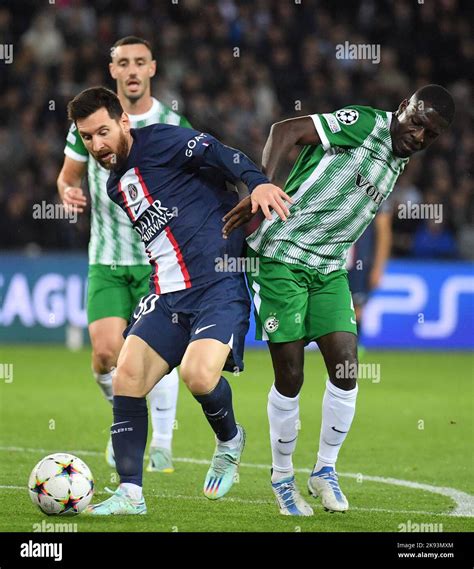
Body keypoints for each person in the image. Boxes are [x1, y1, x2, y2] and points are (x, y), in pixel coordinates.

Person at [223, 84, 455, 516]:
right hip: (281, 256)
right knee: (291, 375)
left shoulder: (399, 159)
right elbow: (286, 129)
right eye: (418, 123)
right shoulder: (366, 124)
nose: (421, 137)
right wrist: (258, 187)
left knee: (346, 367)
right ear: (403, 107)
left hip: (329, 269)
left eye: (431, 135)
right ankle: (282, 476)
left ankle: (324, 470)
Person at [66, 86, 292, 515]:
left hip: (219, 288)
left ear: (123, 122)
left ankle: (229, 440)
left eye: (102, 132)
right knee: (126, 376)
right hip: (168, 296)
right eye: (87, 138)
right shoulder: (118, 185)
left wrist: (258, 183)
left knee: (198, 376)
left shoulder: (164, 141)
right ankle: (130, 493)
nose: (96, 145)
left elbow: (220, 153)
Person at [57, 37, 192, 473]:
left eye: (139, 62)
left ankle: (163, 442)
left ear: (152, 68)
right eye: (123, 63)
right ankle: (126, 424)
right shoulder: (90, 119)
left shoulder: (173, 121)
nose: (131, 70)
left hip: (160, 260)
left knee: (157, 355)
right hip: (108, 260)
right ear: (112, 70)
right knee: (104, 355)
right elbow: (68, 176)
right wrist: (67, 191)